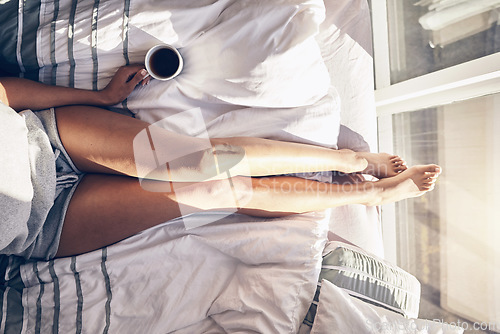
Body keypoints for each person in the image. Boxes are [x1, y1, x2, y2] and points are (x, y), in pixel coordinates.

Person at [0, 65, 441, 260]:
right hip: (42, 226)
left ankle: (350, 158)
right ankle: (367, 192)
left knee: (198, 163)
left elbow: (6, 95)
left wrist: (100, 99)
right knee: (213, 191)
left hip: (47, 141)